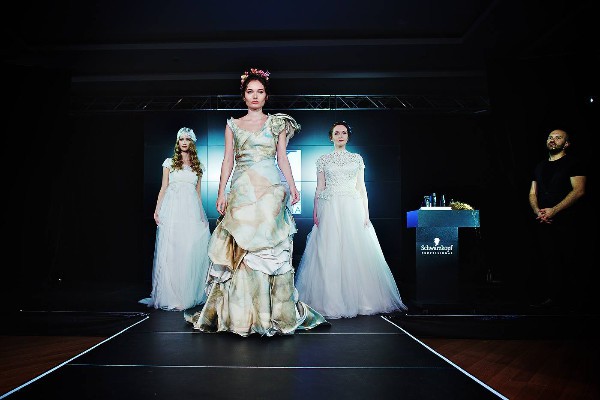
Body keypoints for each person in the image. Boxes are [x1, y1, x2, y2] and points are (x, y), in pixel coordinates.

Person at [184, 68, 328, 336]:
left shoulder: (277, 124)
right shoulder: (232, 125)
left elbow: (282, 157)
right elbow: (228, 160)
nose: (255, 96)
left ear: (266, 96)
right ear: (244, 96)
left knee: (269, 247)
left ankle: (270, 313)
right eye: (250, 91)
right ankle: (242, 315)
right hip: (242, 190)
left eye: (260, 92)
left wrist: (293, 186)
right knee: (242, 248)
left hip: (270, 191)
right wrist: (221, 192)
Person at [295, 121, 407, 318]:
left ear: (348, 136)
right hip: (330, 207)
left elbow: (361, 187)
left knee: (354, 249)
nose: (340, 136)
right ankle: (330, 300)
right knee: (329, 250)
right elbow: (320, 187)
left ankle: (362, 300)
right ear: (331, 137)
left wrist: (366, 213)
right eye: (337, 133)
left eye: (344, 133)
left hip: (352, 206)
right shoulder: (323, 160)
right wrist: (315, 211)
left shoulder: (356, 159)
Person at [139, 127, 211, 311]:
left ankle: (187, 294)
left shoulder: (198, 167)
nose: (184, 142)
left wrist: (202, 216)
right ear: (178, 142)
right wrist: (157, 210)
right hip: (173, 211)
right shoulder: (169, 163)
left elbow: (198, 194)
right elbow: (163, 188)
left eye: (188, 139)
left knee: (189, 251)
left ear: (192, 142)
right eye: (181, 139)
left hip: (191, 212)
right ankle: (171, 295)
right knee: (172, 251)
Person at [528, 128, 587, 309]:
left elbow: (579, 190)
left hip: (567, 220)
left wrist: (554, 210)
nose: (552, 140)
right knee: (549, 260)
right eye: (550, 137)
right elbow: (532, 193)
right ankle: (552, 299)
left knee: (569, 259)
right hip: (544, 220)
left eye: (558, 137)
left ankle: (574, 302)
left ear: (566, 143)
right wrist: (538, 211)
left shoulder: (574, 163)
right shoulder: (540, 166)